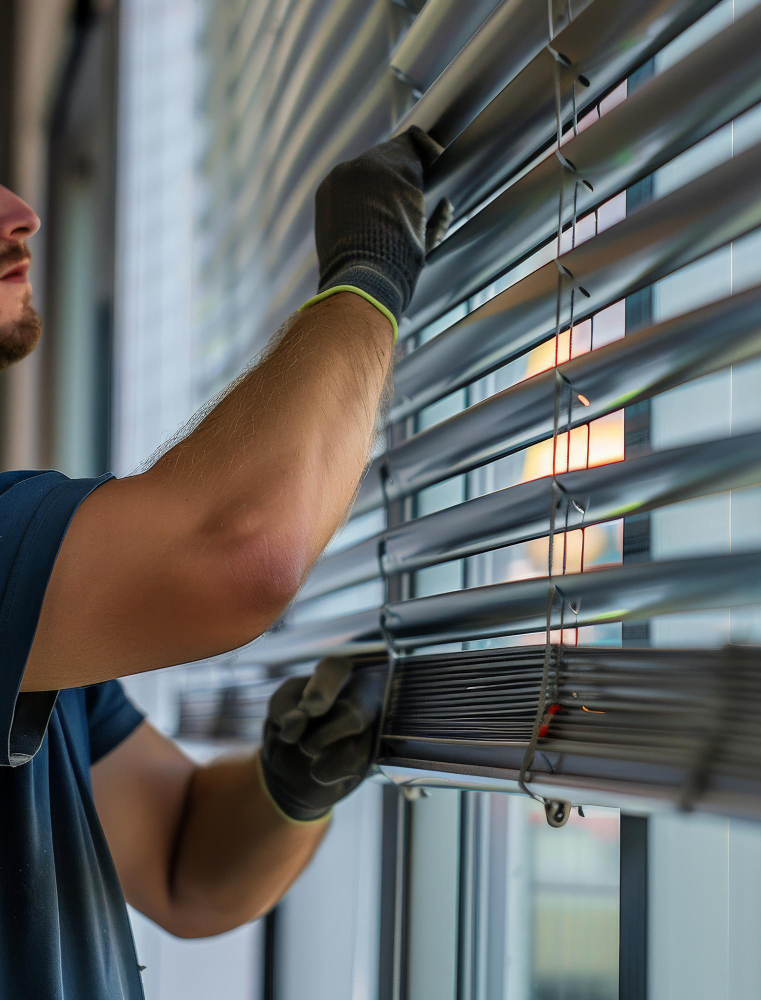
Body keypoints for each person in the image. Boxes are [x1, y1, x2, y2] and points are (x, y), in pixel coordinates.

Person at [0, 125, 447, 998]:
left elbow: (179, 862)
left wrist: (289, 786)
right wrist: (367, 276)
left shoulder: (36, 603)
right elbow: (245, 546)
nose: (23, 215)